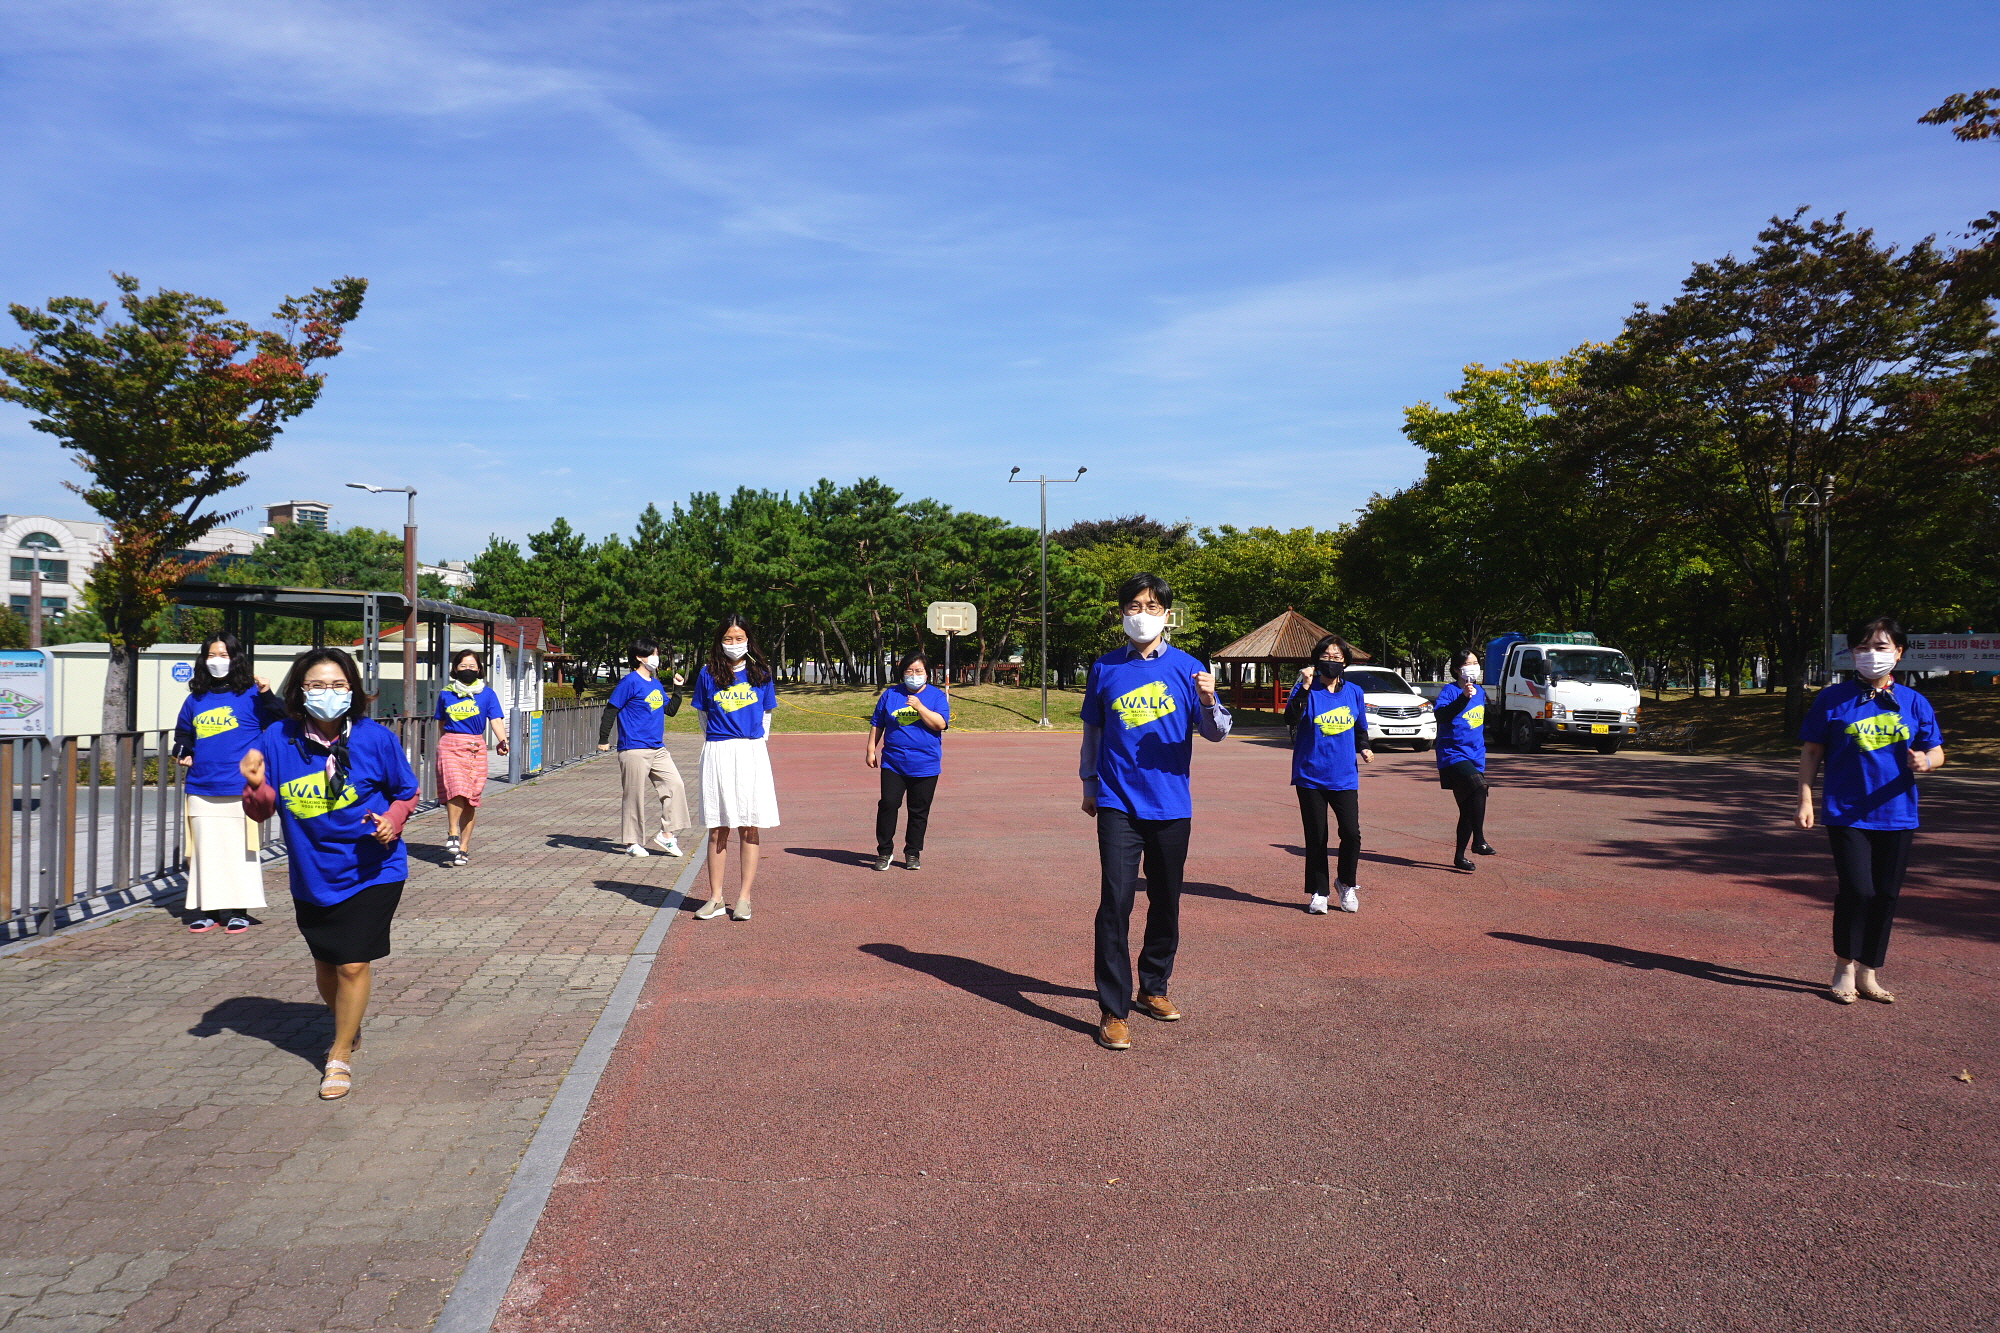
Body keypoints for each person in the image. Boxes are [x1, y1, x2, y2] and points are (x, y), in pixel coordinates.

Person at [240, 648, 420, 1100]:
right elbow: (261, 812)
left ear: (353, 691)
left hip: (373, 868)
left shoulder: (375, 740)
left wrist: (392, 822)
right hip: (312, 872)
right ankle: (349, 1022)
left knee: (354, 963)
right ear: (300, 691)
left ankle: (338, 1052)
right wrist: (257, 787)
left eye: (339, 685)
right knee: (326, 965)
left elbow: (406, 792)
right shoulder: (277, 739)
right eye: (318, 685)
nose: (329, 693)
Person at [1079, 572, 1231, 1051]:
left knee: (1166, 901)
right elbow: (1094, 734)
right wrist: (1088, 784)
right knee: (1116, 902)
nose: (1140, 615)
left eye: (1150, 606)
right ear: (1121, 611)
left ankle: (1153, 987)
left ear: (1167, 614)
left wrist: (1208, 700)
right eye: (1132, 606)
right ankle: (1113, 1008)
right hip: (1117, 802)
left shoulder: (1189, 668)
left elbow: (1216, 731)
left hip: (1170, 805)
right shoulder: (1104, 668)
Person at [1795, 616, 1945, 1005]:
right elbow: (1812, 751)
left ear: (1898, 653)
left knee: (1886, 895)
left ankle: (1868, 970)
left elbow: (1937, 750)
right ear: (1852, 653)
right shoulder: (1832, 699)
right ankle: (1844, 965)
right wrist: (1805, 798)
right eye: (1862, 648)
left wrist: (1926, 763)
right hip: (1846, 812)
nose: (1871, 655)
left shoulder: (1915, 702)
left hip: (1897, 813)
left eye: (1880, 647)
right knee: (1858, 891)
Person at [173, 632, 286, 934]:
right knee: (205, 852)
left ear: (236, 659)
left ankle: (238, 910)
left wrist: (267, 694)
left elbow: (283, 721)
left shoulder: (252, 694)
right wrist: (183, 751)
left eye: (224, 655)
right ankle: (208, 910)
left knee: (240, 852)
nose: (217, 661)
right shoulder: (195, 698)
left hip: (240, 788)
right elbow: (183, 733)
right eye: (211, 655)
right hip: (201, 787)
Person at [690, 616, 780, 921]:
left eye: (739, 638)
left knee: (749, 825)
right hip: (718, 751)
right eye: (728, 639)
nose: (733, 644)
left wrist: (754, 743)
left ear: (749, 640)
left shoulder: (761, 674)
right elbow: (703, 716)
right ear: (719, 641)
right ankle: (715, 898)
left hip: (751, 751)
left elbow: (766, 715)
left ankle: (744, 898)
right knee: (718, 827)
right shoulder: (707, 674)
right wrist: (719, 741)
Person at [1283, 634, 1374, 915]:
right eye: (1326, 657)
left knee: (1351, 833)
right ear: (1316, 660)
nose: (1331, 662)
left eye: (1336, 657)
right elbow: (1290, 718)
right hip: (1310, 775)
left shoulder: (1354, 692)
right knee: (1317, 836)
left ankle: (1346, 883)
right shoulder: (1306, 689)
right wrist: (1304, 687)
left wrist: (1365, 748)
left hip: (1344, 775)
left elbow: (1360, 728)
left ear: (1345, 661)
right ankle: (1318, 891)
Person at [595, 638, 689, 858]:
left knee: (675, 785)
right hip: (634, 748)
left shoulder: (654, 683)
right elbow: (611, 710)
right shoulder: (629, 682)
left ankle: (667, 835)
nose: (656, 657)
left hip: (658, 748)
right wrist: (603, 738)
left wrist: (677, 689)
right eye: (653, 653)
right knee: (634, 795)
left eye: (657, 653)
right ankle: (632, 842)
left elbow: (670, 710)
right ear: (639, 657)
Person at [866, 649, 950, 871]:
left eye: (919, 671)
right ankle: (884, 852)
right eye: (909, 671)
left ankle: (912, 853)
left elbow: (940, 724)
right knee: (888, 805)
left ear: (927, 674)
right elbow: (877, 723)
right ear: (902, 673)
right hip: (894, 763)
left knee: (918, 810)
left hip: (925, 765)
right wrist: (870, 750)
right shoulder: (890, 694)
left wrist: (920, 707)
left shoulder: (936, 696)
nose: (914, 674)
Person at [434, 647, 509, 867]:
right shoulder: (445, 693)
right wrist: (443, 742)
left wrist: (502, 741)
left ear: (479, 669)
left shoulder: (487, 694)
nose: (467, 669)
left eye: (472, 666)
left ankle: (463, 849)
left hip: (476, 746)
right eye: (463, 665)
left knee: (471, 799)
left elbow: (495, 719)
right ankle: (452, 831)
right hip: (451, 744)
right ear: (455, 669)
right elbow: (440, 721)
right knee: (456, 788)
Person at [1430, 648, 1496, 873]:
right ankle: (1479, 840)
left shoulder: (1480, 691)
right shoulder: (1449, 691)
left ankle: (1460, 856)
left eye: (1477, 662)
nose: (1475, 667)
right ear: (1458, 669)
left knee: (1470, 806)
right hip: (1453, 755)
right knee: (1479, 787)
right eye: (1470, 663)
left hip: (1475, 755)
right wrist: (1462, 698)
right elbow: (1441, 716)